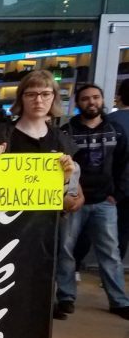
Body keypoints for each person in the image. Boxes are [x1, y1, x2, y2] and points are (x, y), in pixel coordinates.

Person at [0, 69, 81, 338]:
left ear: (54, 100)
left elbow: (74, 198)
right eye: (32, 94)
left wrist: (70, 181)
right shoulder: (2, 134)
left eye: (46, 95)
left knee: (32, 312)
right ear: (21, 97)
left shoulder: (62, 142)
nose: (39, 100)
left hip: (41, 240)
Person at [56, 83, 129, 320]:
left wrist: (117, 194)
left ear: (103, 100)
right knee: (66, 250)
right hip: (73, 200)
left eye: (96, 97)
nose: (91, 102)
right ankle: (66, 297)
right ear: (78, 103)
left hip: (104, 202)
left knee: (110, 251)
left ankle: (118, 301)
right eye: (86, 98)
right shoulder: (67, 132)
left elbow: (124, 164)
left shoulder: (115, 130)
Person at [107, 79, 129, 258]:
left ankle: (75, 269)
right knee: (123, 229)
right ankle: (116, 266)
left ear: (119, 97)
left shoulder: (110, 121)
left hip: (111, 187)